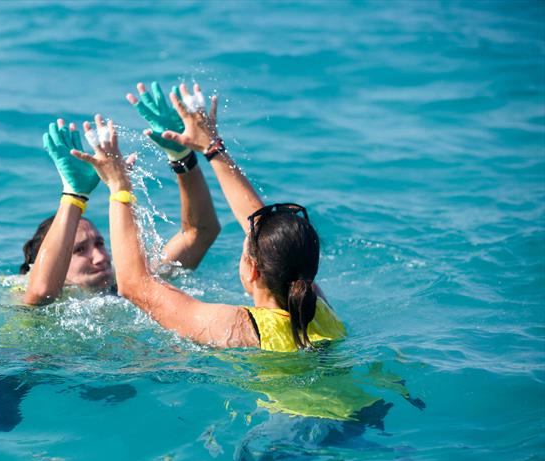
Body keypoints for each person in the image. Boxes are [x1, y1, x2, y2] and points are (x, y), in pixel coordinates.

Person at [70, 83, 346, 352]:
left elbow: (134, 285)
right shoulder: (319, 309)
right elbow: (264, 229)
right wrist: (210, 147)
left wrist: (119, 187)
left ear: (252, 271)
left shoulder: (242, 328)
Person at [21, 82, 221, 305]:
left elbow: (201, 233)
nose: (101, 257)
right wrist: (74, 195)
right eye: (78, 250)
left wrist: (183, 158)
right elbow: (41, 293)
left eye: (99, 243)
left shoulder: (130, 284)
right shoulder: (37, 304)